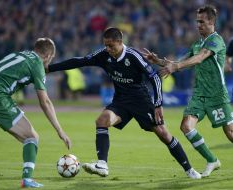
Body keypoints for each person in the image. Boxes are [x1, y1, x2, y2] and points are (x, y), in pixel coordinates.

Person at [48, 27, 201, 179]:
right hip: (121, 100)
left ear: (120, 42)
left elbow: (154, 77)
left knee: (163, 134)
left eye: (111, 46)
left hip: (141, 100)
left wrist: (158, 104)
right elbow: (79, 61)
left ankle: (189, 170)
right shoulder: (103, 55)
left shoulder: (133, 56)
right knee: (102, 120)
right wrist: (50, 68)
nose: (107, 49)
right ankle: (102, 164)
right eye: (105, 45)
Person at [143, 5, 233, 177]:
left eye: (202, 21)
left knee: (230, 132)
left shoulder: (216, 40)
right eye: (197, 21)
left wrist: (175, 66)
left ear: (212, 22)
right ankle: (212, 160)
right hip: (199, 95)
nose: (198, 25)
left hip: (217, 95)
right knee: (186, 126)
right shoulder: (197, 43)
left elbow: (200, 58)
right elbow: (180, 62)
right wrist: (158, 61)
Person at [0, 38, 71, 188]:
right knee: (31, 137)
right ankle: (27, 179)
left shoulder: (19, 54)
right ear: (48, 56)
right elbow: (45, 102)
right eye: (51, 58)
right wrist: (60, 130)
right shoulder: (37, 64)